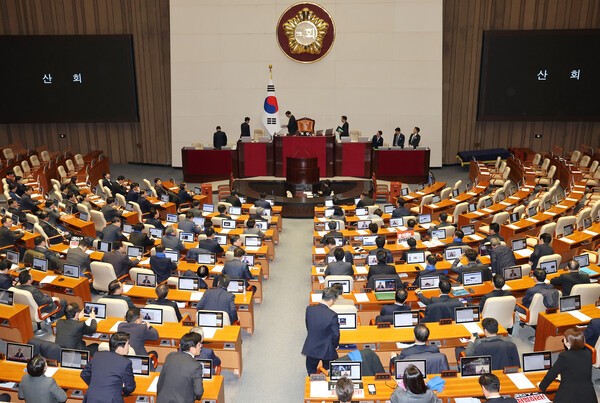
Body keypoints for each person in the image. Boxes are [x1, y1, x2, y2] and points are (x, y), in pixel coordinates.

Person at [539, 328, 597, 402]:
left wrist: (541, 387)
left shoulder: (564, 356)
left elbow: (552, 374)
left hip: (569, 395)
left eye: (564, 340)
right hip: (588, 395)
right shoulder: (588, 354)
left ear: (568, 343)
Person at [80, 332, 136, 403]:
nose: (129, 346)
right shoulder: (126, 362)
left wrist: (97, 386)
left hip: (91, 398)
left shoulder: (98, 355)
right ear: (119, 348)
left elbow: (84, 374)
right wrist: (121, 390)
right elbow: (130, 387)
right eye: (128, 344)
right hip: (111, 399)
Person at [156, 332, 204, 403]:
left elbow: (160, 382)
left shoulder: (170, 356)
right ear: (192, 347)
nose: (201, 346)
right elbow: (198, 392)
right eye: (199, 344)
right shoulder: (196, 366)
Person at [302, 287, 340, 374]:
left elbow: (308, 326)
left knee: (311, 371)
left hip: (312, 347)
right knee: (328, 371)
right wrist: (335, 345)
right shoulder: (332, 315)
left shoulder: (309, 309)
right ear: (331, 300)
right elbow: (335, 335)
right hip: (327, 349)